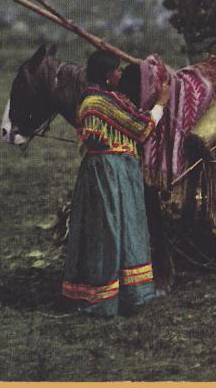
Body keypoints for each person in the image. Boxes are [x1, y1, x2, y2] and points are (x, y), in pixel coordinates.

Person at [61, 50, 170, 317]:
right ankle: (118, 297)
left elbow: (128, 119)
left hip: (103, 172)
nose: (121, 74)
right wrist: (162, 102)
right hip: (112, 174)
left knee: (108, 230)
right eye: (117, 71)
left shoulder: (95, 99)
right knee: (115, 230)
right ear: (108, 76)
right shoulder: (101, 103)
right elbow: (141, 128)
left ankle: (113, 292)